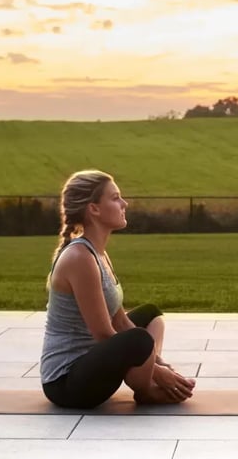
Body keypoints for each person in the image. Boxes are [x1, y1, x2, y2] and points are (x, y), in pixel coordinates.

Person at [40, 169, 195, 408]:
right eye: (115, 198)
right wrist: (159, 374)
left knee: (151, 315)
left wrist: (158, 362)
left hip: (94, 362)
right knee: (139, 340)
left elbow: (120, 320)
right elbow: (103, 334)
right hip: (67, 383)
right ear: (94, 209)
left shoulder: (98, 254)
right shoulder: (79, 258)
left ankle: (143, 378)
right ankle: (146, 391)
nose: (125, 203)